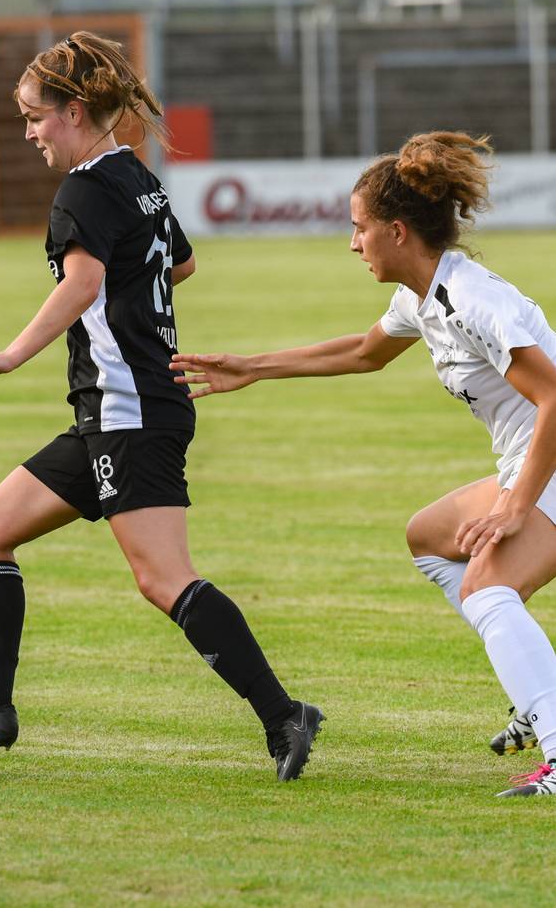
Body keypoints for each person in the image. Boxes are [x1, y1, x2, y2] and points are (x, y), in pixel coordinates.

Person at [0, 31, 323, 781]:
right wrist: (134, 305)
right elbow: (183, 261)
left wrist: (9, 353)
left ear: (74, 111)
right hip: (115, 408)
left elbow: (80, 284)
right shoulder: (134, 174)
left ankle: (284, 714)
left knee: (162, 578)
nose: (30, 133)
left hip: (129, 411)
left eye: (36, 117)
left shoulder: (83, 190)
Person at [171, 131, 556, 797]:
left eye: (360, 229)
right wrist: (252, 368)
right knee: (430, 538)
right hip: (530, 463)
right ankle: (538, 689)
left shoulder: (473, 298)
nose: (353, 243)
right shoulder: (423, 296)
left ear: (398, 232)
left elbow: (553, 394)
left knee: (487, 590)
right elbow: (364, 352)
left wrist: (514, 504)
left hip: (547, 465)